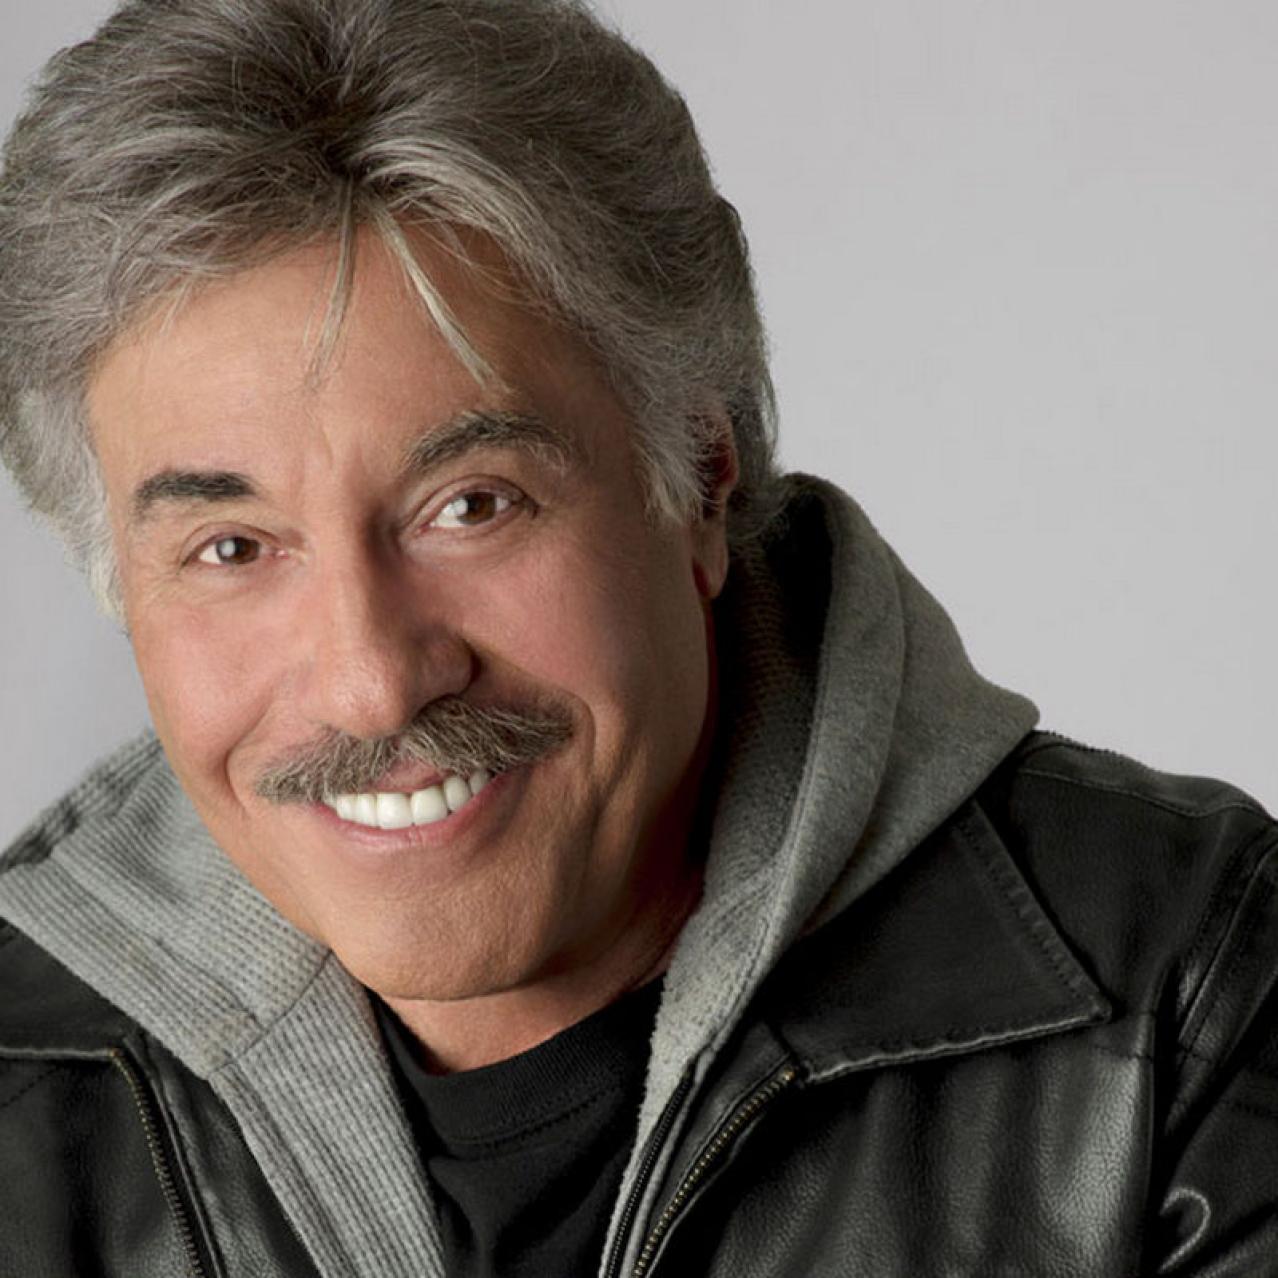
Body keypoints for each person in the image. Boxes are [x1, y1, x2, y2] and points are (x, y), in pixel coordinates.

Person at [0, 0, 1274, 1274]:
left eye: (472, 505)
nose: (375, 684)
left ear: (700, 479)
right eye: (232, 550)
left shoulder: (1199, 1001)